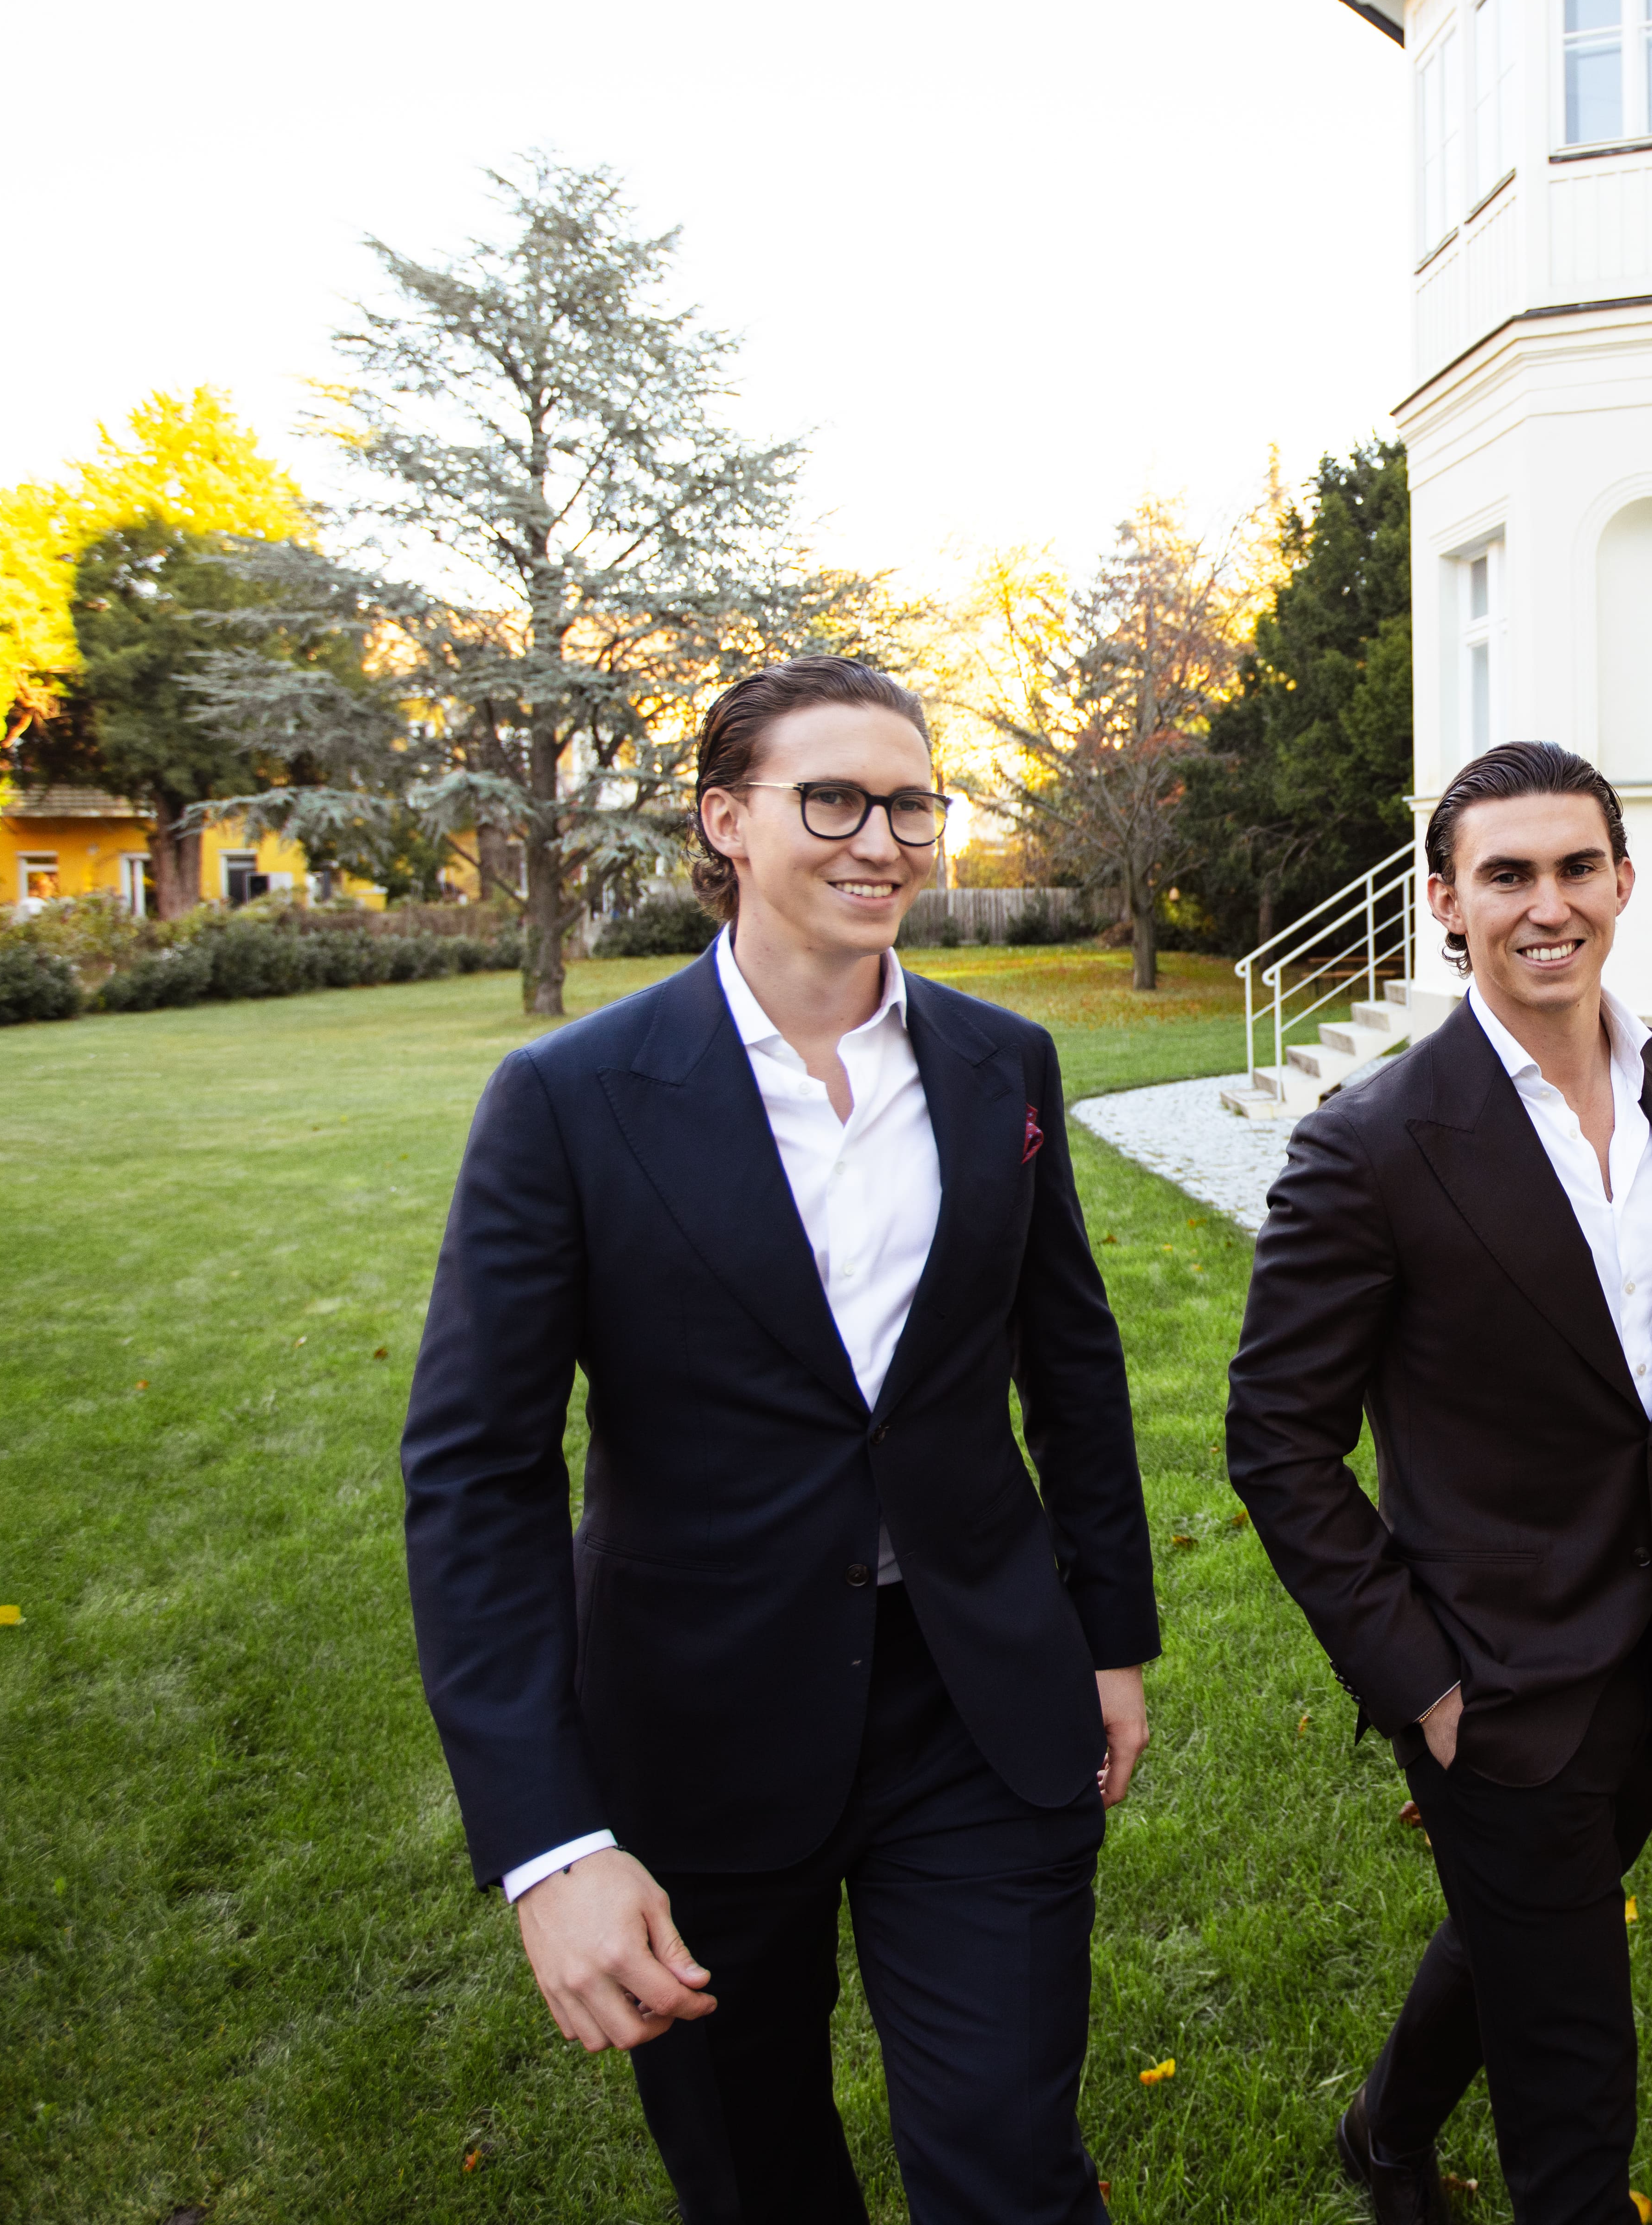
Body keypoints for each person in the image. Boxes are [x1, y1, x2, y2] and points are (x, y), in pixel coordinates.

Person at [399, 656, 1158, 2225]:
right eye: (834, 799)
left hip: (976, 1697)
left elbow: (1071, 1369)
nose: (881, 839)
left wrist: (1109, 1634)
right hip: (695, 1723)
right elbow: (477, 1474)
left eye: (912, 804)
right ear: (726, 820)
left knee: (1014, 2168)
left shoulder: (1001, 1065)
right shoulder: (568, 1098)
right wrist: (548, 1839)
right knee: (755, 2180)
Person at [1224, 740, 1652, 2225]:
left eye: (1575, 867)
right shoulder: (1368, 1144)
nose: (1549, 904)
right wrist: (1416, 1673)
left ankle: (1383, 2129)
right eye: (1506, 874)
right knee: (1574, 2076)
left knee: (1519, 1935)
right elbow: (1275, 1437)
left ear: (1621, 879)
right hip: (1489, 1680)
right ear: (1443, 903)